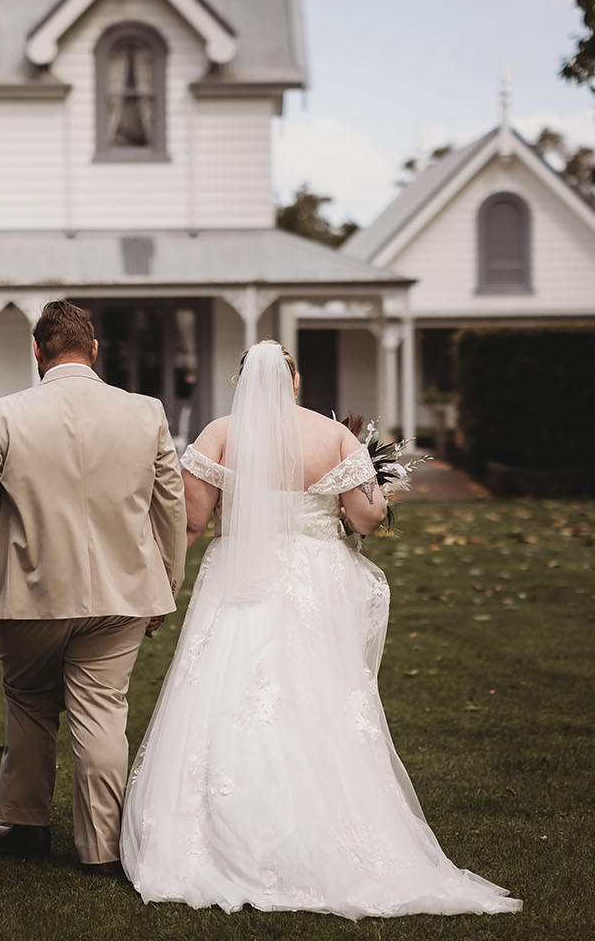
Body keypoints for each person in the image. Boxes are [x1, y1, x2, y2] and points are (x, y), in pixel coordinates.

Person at [119, 341, 521, 918]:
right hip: (314, 577)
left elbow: (192, 521)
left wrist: (165, 586)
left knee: (228, 691)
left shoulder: (220, 434)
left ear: (240, 382)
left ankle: (221, 832)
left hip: (237, 573)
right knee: (319, 696)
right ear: (296, 383)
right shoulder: (333, 436)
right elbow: (366, 516)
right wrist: (368, 492)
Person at [0, 300, 187, 875]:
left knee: (29, 703)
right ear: (94, 349)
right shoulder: (145, 411)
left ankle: (24, 825)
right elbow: (170, 507)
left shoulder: (2, 414)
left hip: (31, 595)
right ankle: (102, 849)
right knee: (104, 711)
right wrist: (165, 587)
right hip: (124, 592)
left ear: (37, 352)